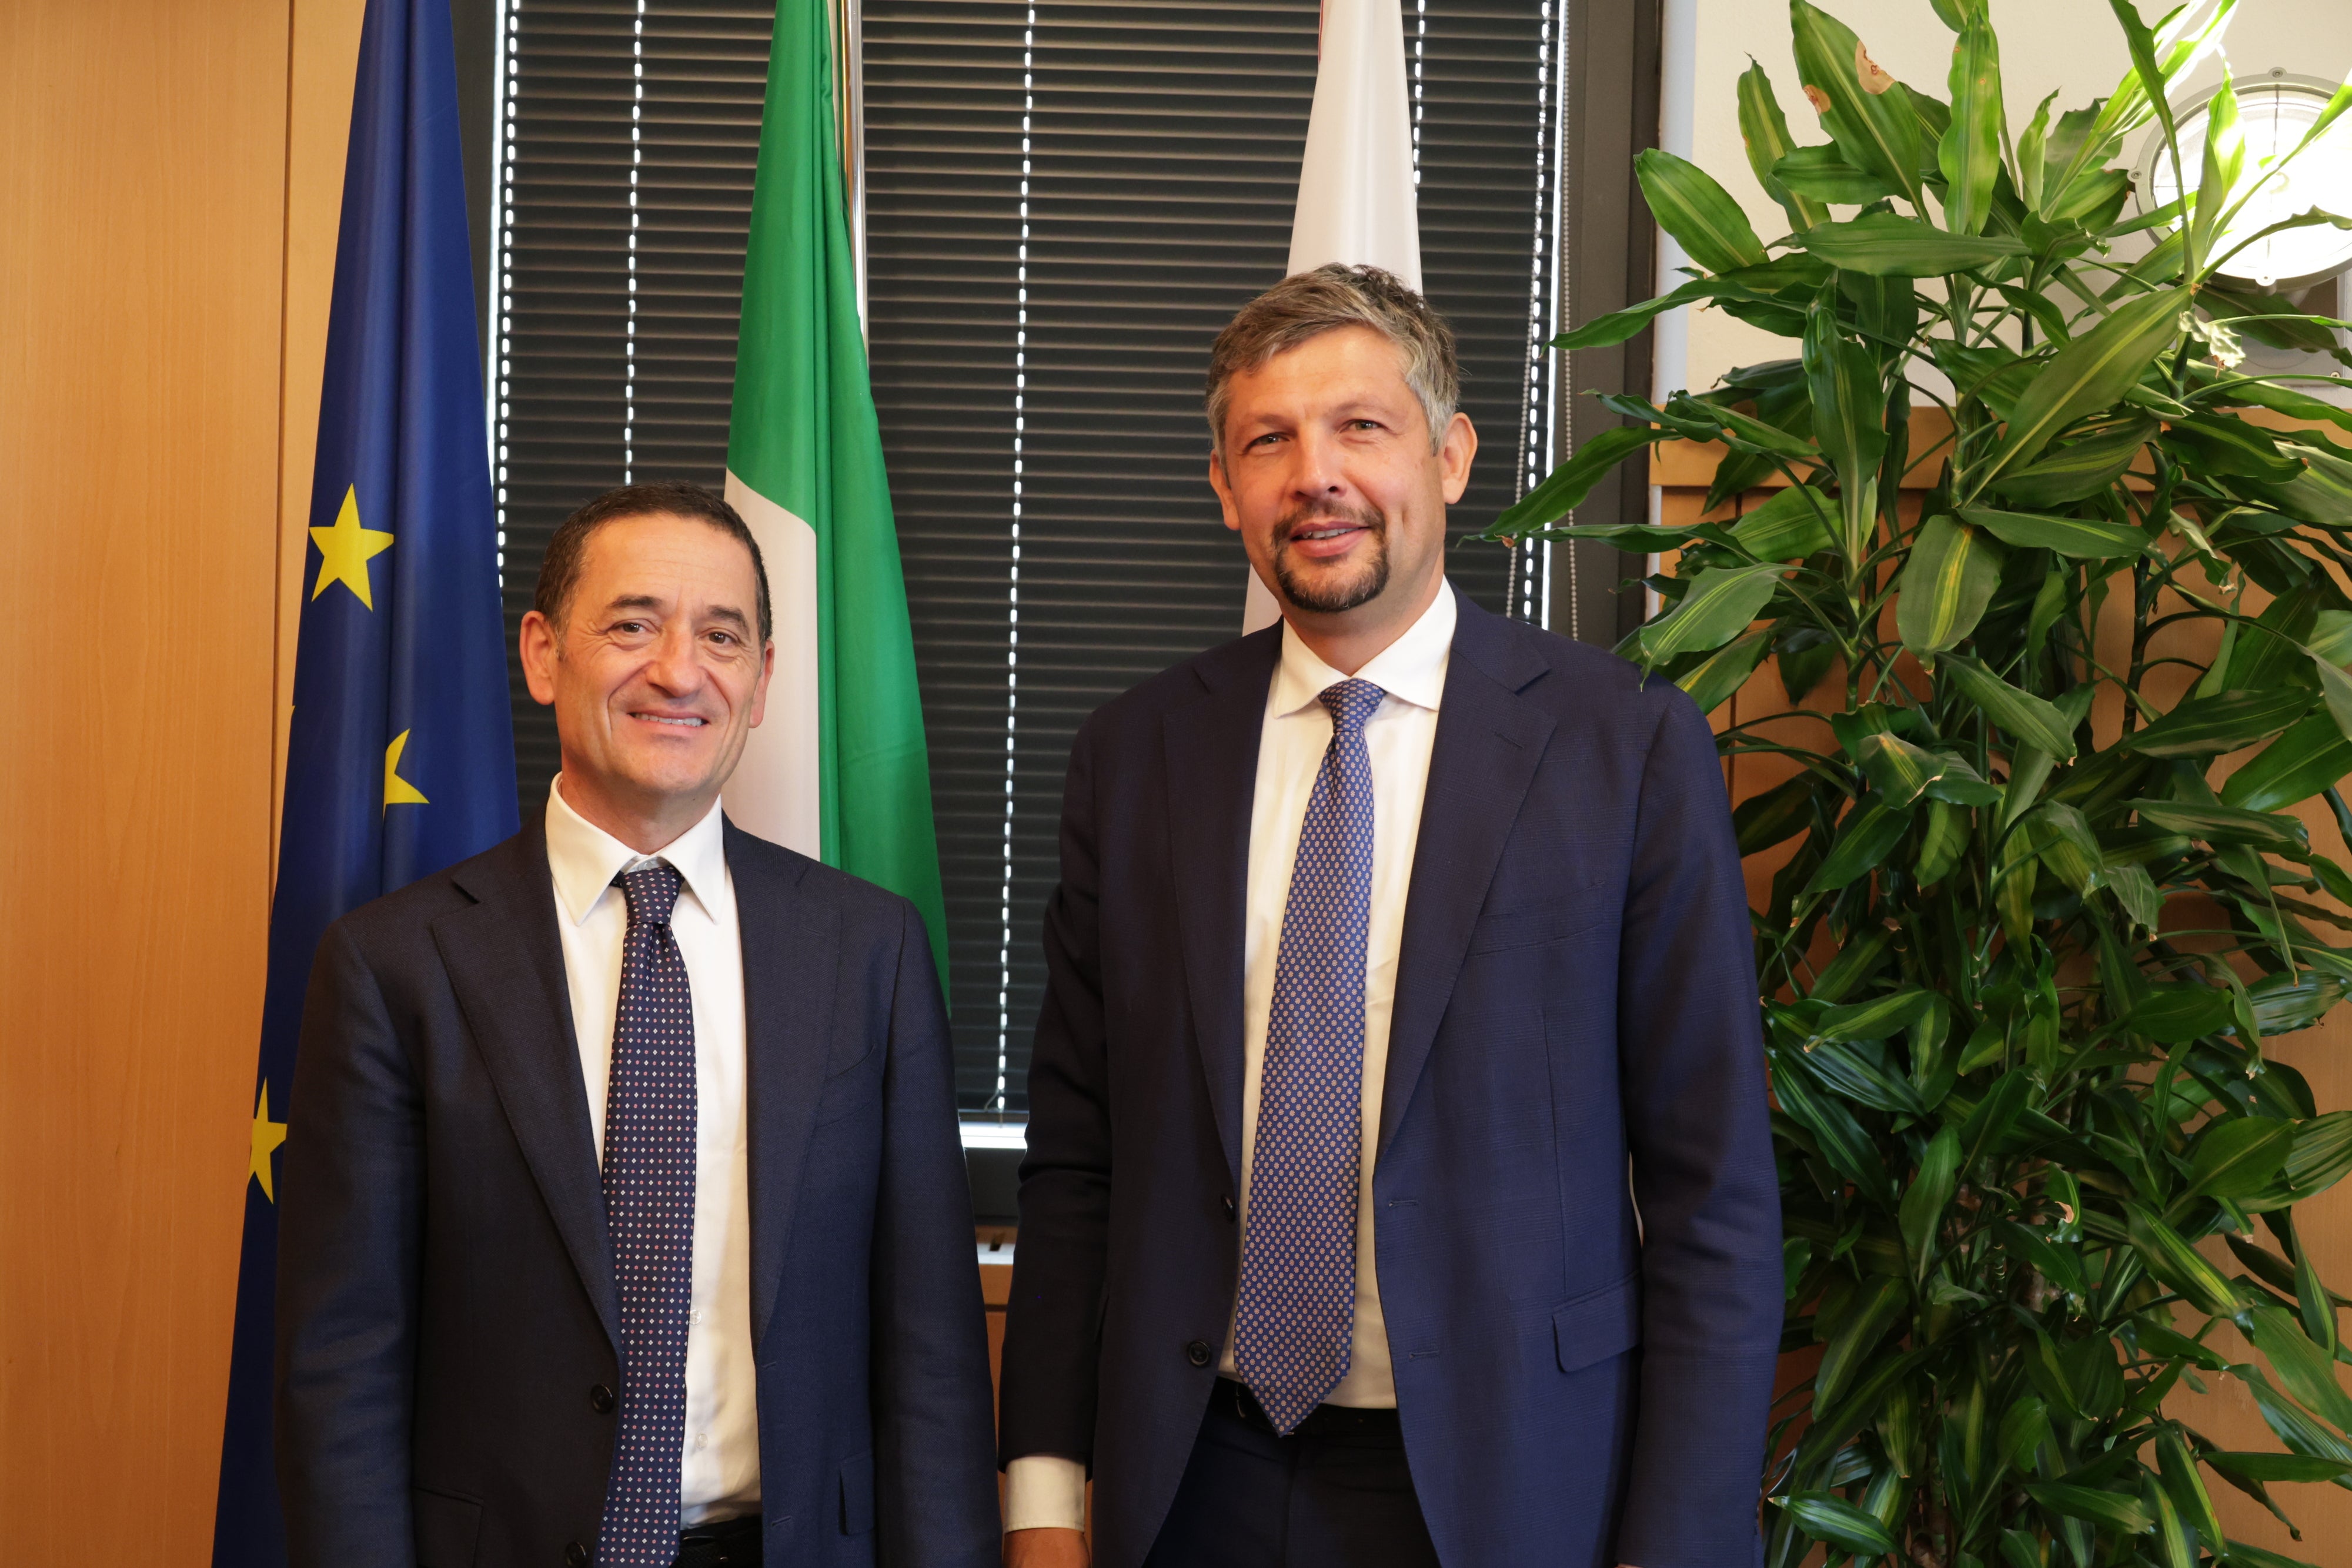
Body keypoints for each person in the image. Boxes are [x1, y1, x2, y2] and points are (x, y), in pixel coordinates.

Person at [995, 266, 1782, 1568]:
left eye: (1359, 426)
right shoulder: (1135, 757)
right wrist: (1039, 1496)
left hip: (1513, 1483)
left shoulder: (1621, 746)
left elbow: (1712, 1188)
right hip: (1189, 1475)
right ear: (1224, 489)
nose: (1315, 473)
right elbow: (1078, 1160)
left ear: (1450, 455)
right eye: (1268, 440)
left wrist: (1682, 1540)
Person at [274, 482, 1000, 1568]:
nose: (678, 670)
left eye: (723, 636)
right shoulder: (397, 964)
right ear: (540, 654)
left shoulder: (867, 953)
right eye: (632, 625)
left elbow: (932, 1350)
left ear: (761, 684)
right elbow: (344, 1363)